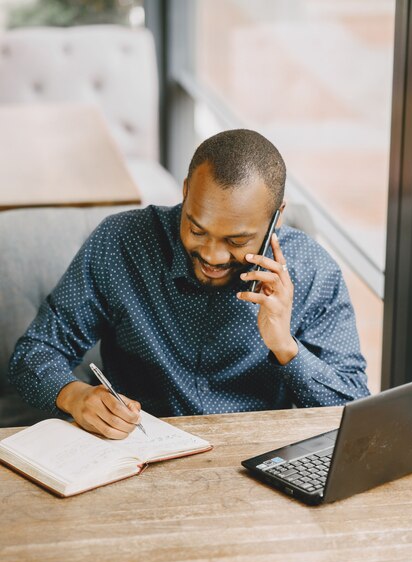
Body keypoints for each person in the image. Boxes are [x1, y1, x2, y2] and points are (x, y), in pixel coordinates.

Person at [9, 129, 369, 439]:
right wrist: (74, 396)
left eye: (236, 240)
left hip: (257, 461)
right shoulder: (121, 244)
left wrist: (286, 347)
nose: (212, 255)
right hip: (136, 450)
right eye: (197, 229)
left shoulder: (313, 271)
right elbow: (34, 353)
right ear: (185, 191)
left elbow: (355, 411)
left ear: (276, 217)